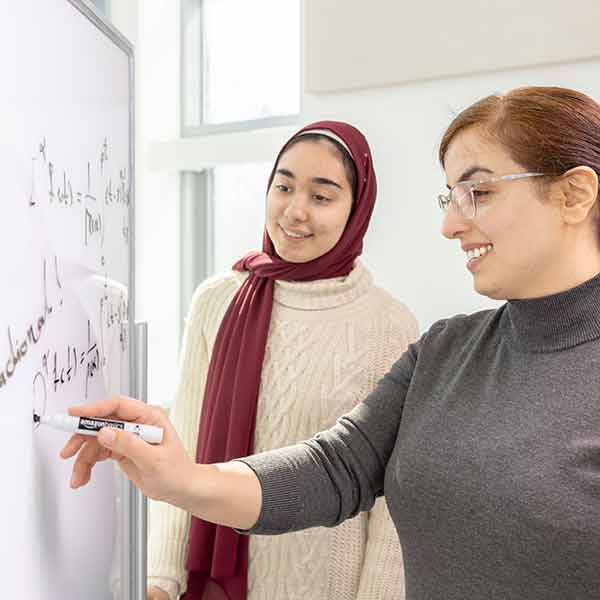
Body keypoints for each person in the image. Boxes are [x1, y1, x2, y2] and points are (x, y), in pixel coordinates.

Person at [62, 86, 600, 600]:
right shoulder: (446, 351)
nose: (449, 224)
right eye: (450, 195)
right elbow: (334, 468)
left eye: (477, 193)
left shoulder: (393, 325)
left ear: (573, 195)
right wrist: (183, 479)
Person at [115, 121, 418, 600]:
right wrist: (159, 578)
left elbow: (392, 504)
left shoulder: (388, 326)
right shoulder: (218, 300)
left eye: (322, 197)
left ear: (356, 210)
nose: (295, 211)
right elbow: (186, 439)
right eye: (284, 186)